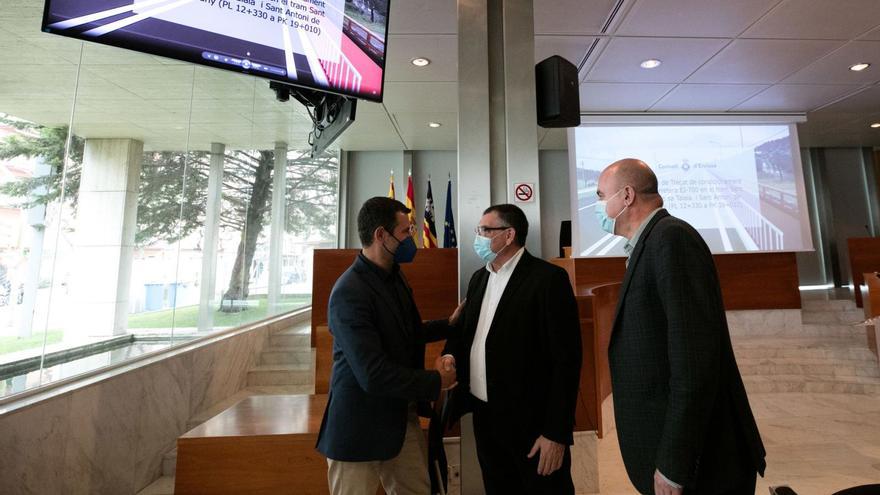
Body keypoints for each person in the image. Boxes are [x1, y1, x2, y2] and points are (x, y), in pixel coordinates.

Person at [596, 159, 766, 494]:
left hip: (702, 463)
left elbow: (694, 360)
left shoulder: (671, 239)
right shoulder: (650, 243)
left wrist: (674, 464)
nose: (599, 205)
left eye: (602, 195)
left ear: (627, 196)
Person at [315, 196, 461, 495]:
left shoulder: (394, 276)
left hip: (399, 419)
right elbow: (372, 373)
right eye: (406, 232)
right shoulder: (349, 292)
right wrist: (437, 381)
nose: (413, 240)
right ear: (381, 235)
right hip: (358, 429)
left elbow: (405, 332)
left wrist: (450, 324)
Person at [442, 204, 582, 495]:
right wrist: (450, 355)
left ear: (509, 235)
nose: (478, 237)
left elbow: (566, 361)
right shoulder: (480, 277)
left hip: (531, 422)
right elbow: (468, 331)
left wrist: (556, 433)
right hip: (485, 415)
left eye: (484, 230)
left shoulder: (547, 280)